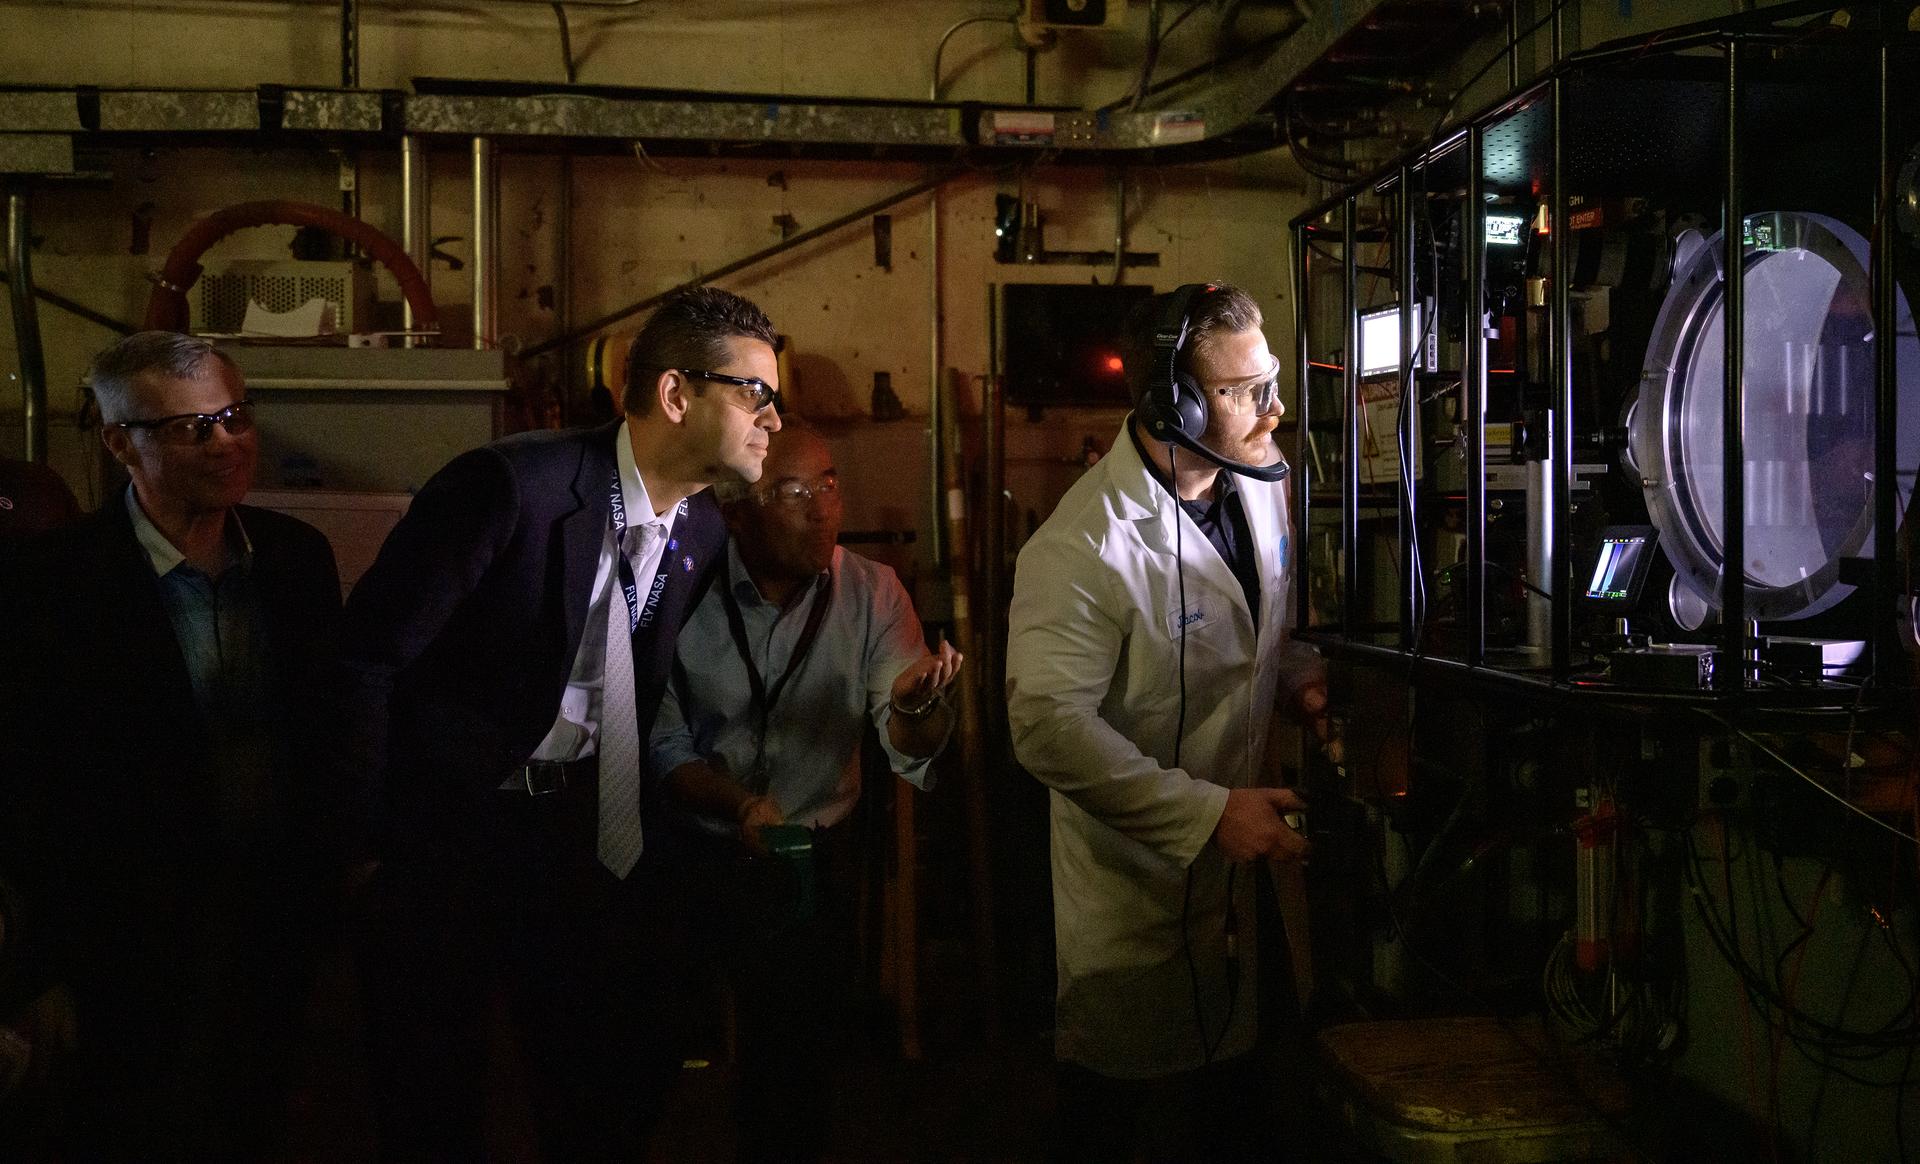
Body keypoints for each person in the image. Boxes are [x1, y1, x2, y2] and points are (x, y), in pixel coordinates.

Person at [336, 286, 784, 1161]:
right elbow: (365, 659)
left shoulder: (701, 528)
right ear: (674, 395)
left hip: (574, 828)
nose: (773, 419)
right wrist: (360, 842)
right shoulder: (510, 488)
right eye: (755, 393)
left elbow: (632, 684)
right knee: (432, 1091)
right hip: (445, 826)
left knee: (597, 1083)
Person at [1005, 283, 1329, 1161]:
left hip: (1252, 873)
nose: (1276, 409)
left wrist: (1305, 686)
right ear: (1173, 405)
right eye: (1245, 390)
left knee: (1248, 1107)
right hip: (1137, 888)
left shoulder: (1263, 489)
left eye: (1271, 381)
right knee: (1133, 1124)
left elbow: (1267, 638)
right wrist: (1205, 813)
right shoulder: (1082, 548)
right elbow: (1045, 728)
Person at [0, 331, 343, 1160]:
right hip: (126, 939)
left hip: (273, 915)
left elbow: (327, 731)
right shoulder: (52, 586)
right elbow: (23, 786)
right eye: (193, 428)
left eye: (235, 416)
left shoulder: (295, 561)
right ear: (121, 442)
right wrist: (37, 969)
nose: (227, 442)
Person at [651, 422, 961, 1163]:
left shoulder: (872, 592)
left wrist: (919, 707)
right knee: (657, 1059)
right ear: (735, 512)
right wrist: (737, 805)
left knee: (791, 1074)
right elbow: (660, 744)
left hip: (807, 857)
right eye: (794, 493)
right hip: (694, 846)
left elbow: (906, 743)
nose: (823, 508)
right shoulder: (678, 589)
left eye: (829, 486)